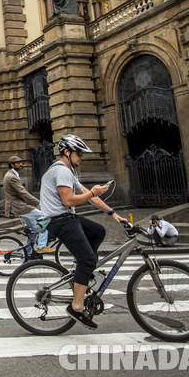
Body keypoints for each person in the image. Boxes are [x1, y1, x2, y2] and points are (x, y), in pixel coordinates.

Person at [40, 135, 125, 330]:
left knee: (98, 231)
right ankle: (76, 307)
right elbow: (69, 201)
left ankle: (82, 269)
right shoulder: (61, 171)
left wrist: (113, 213)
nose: (81, 157)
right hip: (60, 221)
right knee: (88, 260)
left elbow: (88, 196)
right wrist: (93, 193)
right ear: (67, 152)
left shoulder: (68, 171)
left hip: (66, 218)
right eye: (79, 154)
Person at [3, 155, 53, 256]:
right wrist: (39, 202)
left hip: (16, 205)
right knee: (44, 218)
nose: (21, 164)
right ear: (12, 165)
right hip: (18, 206)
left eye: (21, 162)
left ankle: (26, 253)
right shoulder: (12, 177)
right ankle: (42, 246)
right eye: (18, 163)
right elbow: (23, 193)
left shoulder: (12, 175)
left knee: (34, 229)